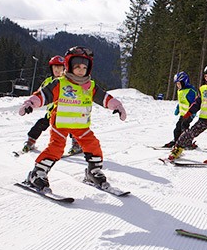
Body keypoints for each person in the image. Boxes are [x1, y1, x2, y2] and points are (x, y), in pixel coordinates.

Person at [18, 46, 127, 190]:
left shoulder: (90, 86)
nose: (81, 70)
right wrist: (30, 103)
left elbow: (104, 98)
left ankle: (93, 172)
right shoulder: (61, 83)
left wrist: (117, 106)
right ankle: (37, 173)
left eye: (84, 67)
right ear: (69, 66)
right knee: (56, 148)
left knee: (93, 145)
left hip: (81, 126)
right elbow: (44, 95)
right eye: (77, 66)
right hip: (60, 125)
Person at [21, 55, 65, 152]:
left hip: (66, 113)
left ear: (64, 69)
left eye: (60, 68)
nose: (57, 70)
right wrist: (31, 104)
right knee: (41, 124)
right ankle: (30, 141)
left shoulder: (67, 82)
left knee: (72, 128)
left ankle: (76, 144)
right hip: (51, 113)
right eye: (55, 68)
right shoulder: (48, 81)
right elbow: (40, 94)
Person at [163, 71, 198, 148]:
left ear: (184, 82)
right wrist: (177, 108)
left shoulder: (191, 91)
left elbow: (194, 103)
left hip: (189, 114)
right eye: (176, 84)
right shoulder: (180, 91)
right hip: (183, 113)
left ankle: (186, 143)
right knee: (177, 128)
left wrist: (192, 112)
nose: (177, 85)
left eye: (179, 83)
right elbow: (181, 101)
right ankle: (176, 141)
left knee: (184, 127)